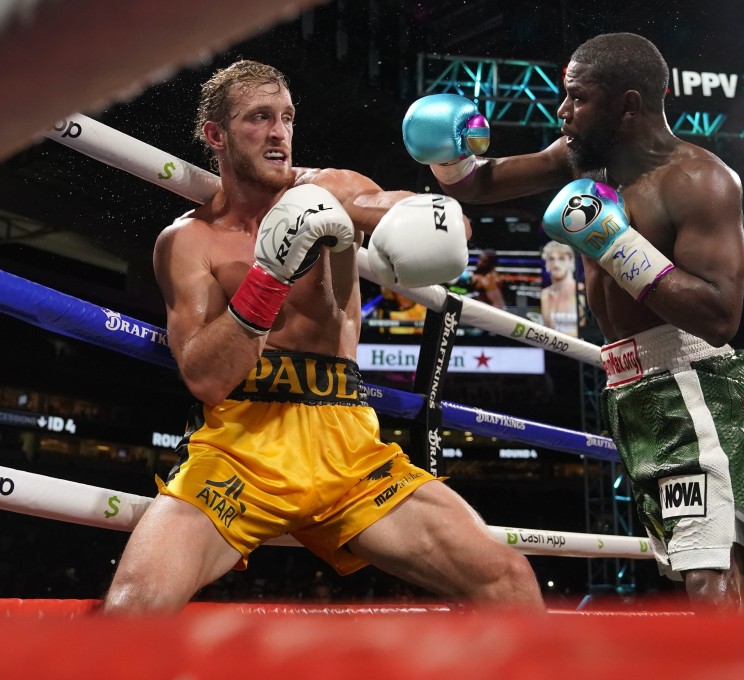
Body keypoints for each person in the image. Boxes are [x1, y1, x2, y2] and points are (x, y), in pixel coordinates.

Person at [101, 60, 542, 614]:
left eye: (286, 117)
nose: (279, 132)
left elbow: (412, 216)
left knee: (508, 579)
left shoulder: (329, 190)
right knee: (132, 608)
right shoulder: (189, 241)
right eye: (259, 118)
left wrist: (439, 210)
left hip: (350, 449)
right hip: (240, 450)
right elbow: (207, 378)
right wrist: (269, 277)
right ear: (216, 135)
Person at [403, 33, 744, 612]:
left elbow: (720, 316)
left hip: (693, 385)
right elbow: (483, 183)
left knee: (707, 575)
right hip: (631, 387)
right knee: (713, 577)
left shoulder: (698, 180)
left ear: (628, 105)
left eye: (578, 99)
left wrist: (615, 242)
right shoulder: (581, 158)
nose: (562, 111)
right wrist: (448, 153)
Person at [539, 240, 584, 336]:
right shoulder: (545, 294)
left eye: (562, 259)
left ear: (571, 261)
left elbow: (588, 331)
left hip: (579, 348)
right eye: (551, 259)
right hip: (551, 348)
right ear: (546, 263)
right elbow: (547, 328)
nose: (556, 264)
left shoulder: (582, 291)